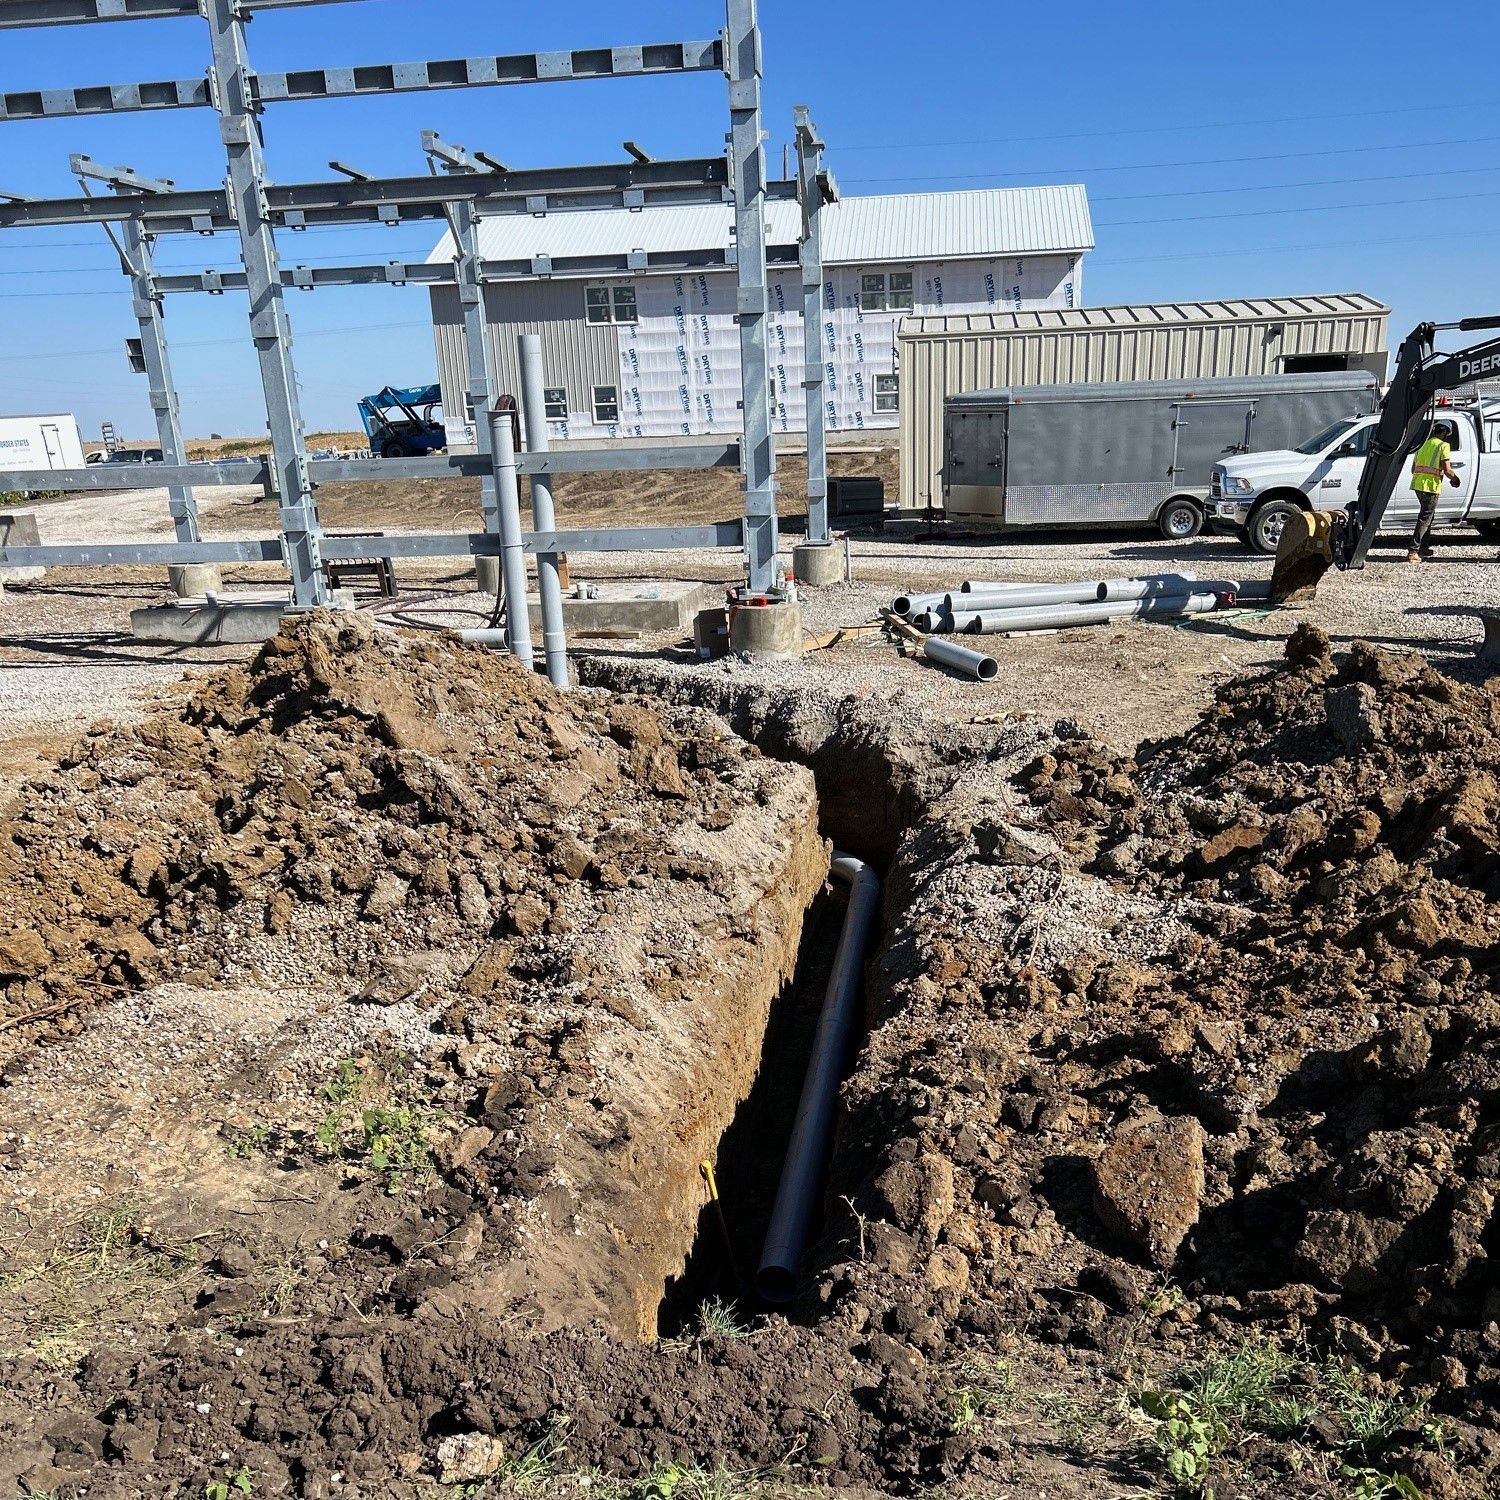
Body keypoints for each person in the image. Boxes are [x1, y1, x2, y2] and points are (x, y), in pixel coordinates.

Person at [1407, 419, 1460, 563]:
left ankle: (1424, 547)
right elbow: (1448, 470)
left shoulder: (1422, 444)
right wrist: (1455, 479)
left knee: (1427, 517)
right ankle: (1413, 550)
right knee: (1425, 519)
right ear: (1444, 432)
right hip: (1431, 487)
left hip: (1418, 485)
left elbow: (1413, 469)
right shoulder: (1443, 446)